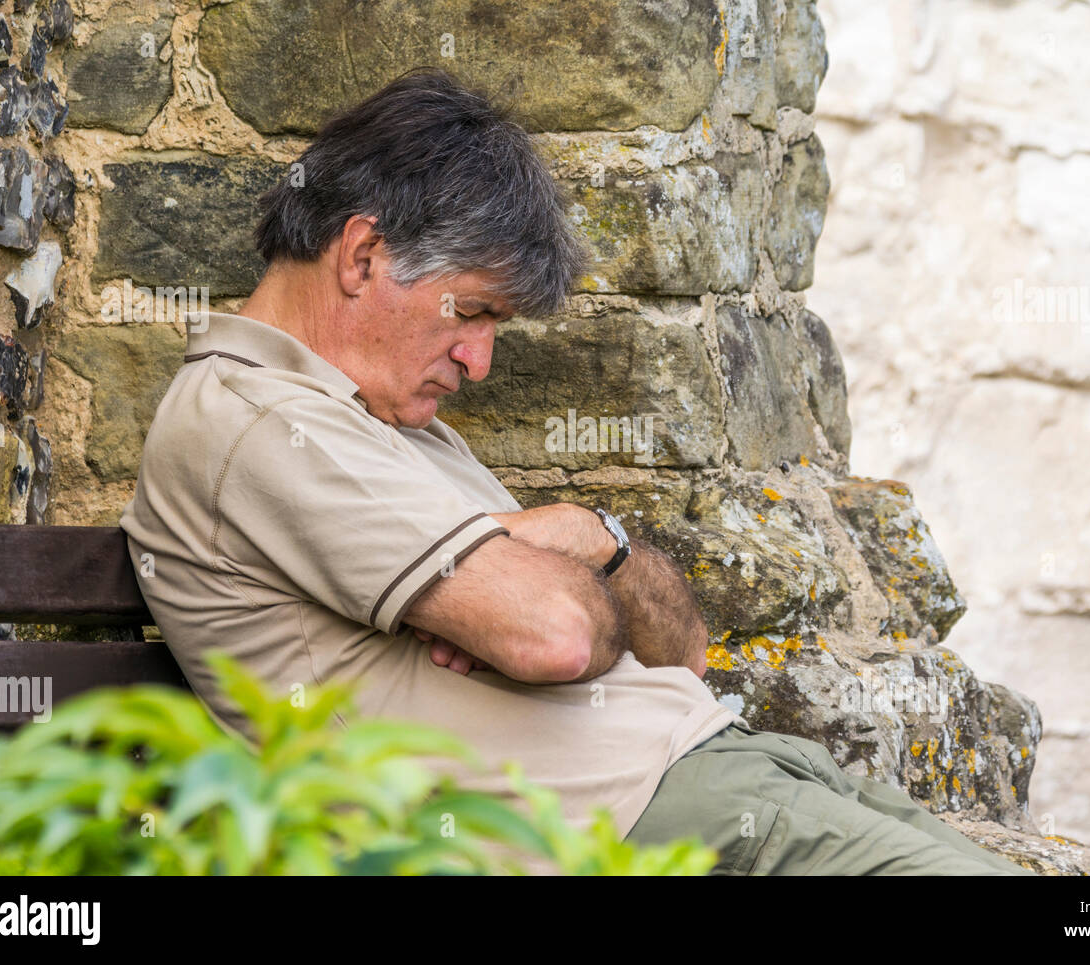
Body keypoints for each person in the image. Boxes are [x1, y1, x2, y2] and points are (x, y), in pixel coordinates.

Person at [119, 66, 1032, 876]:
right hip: (637, 826)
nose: (479, 361)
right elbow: (553, 634)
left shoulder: (384, 418)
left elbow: (681, 653)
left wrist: (594, 536)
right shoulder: (254, 418)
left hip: (719, 776)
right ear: (363, 255)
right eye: (471, 311)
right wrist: (558, 572)